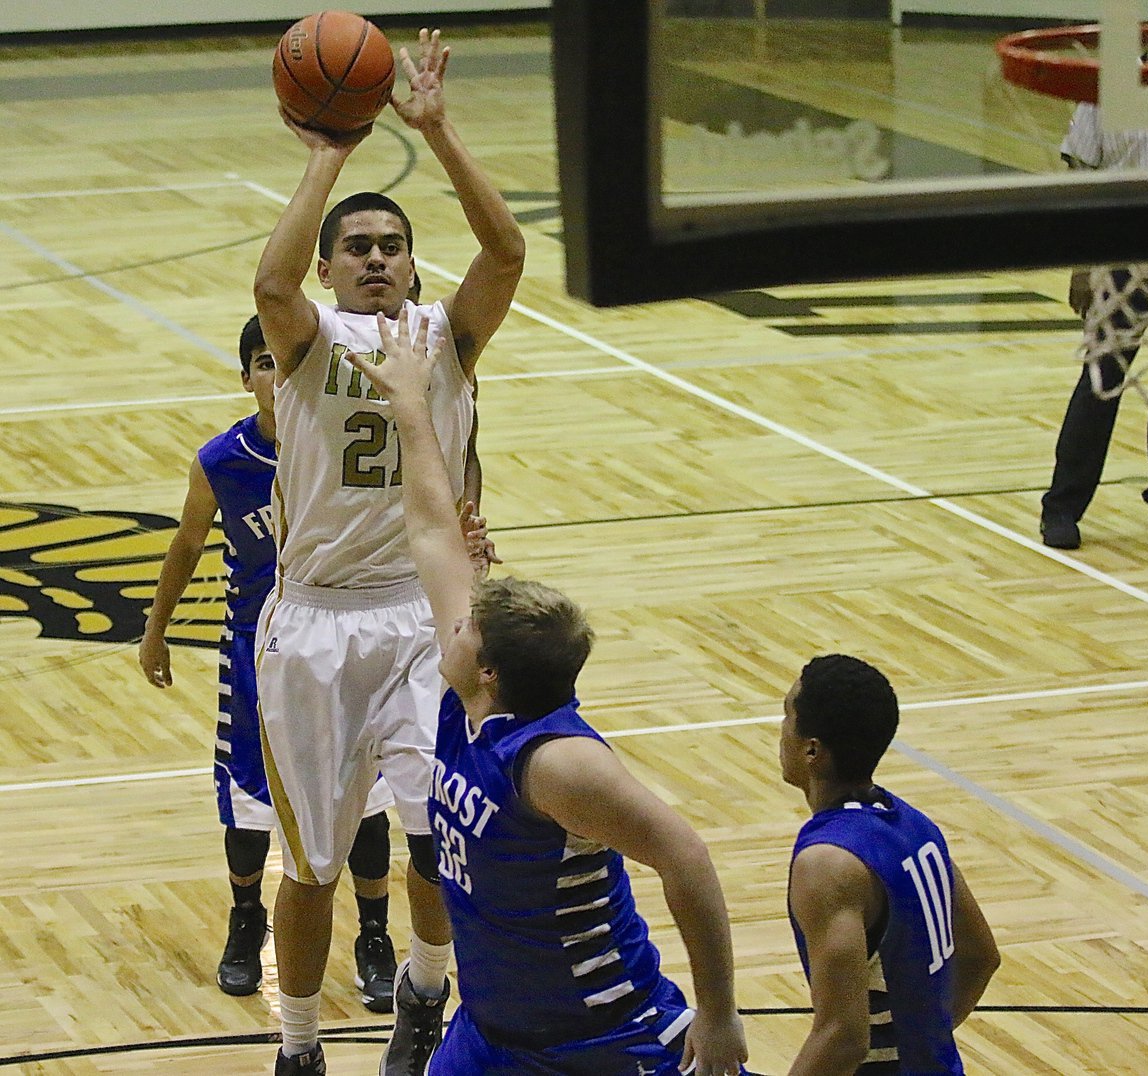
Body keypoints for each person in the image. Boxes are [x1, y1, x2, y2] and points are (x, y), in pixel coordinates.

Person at [347, 313, 750, 1076]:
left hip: (601, 1037)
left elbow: (687, 857)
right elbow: (432, 527)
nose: (451, 627)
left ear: (490, 667)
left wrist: (721, 1016)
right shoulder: (469, 703)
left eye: (466, 629)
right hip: (494, 1032)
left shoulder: (558, 763)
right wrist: (408, 402)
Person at [251, 26, 523, 1076]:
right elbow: (270, 287)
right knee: (314, 863)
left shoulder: (448, 334)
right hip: (315, 619)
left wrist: (438, 132)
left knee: (431, 838)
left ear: (413, 263)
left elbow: (506, 252)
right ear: (331, 266)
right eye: (356, 247)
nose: (375, 258)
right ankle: (302, 1043)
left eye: (391, 246)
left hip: (424, 615)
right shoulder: (308, 337)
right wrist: (334, 145)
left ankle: (422, 991)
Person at [138, 315, 399, 1012]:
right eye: (260, 364)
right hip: (258, 649)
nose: (274, 378)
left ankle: (374, 933)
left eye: (283, 364)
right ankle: (245, 919)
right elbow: (187, 546)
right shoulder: (222, 461)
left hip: (342, 637)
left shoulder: (345, 444)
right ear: (245, 376)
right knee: (249, 791)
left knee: (366, 792)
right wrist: (155, 630)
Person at [779, 654, 1000, 1074]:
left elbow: (842, 1036)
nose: (780, 730)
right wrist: (922, 1042)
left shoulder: (828, 864)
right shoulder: (914, 825)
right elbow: (981, 956)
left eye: (787, 715)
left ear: (812, 750)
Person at [1040, 0, 1148, 550]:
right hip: (1123, 264)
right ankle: (1061, 507)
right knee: (1101, 384)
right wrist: (1082, 266)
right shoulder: (1107, 90)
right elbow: (1079, 178)